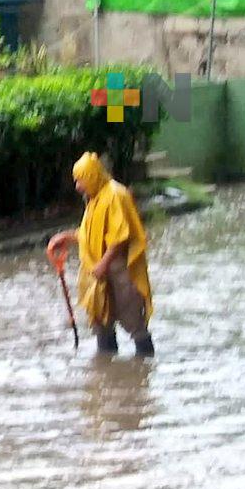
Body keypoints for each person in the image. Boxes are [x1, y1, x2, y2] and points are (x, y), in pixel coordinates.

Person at [47, 152, 155, 357]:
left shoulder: (115, 195)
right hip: (98, 271)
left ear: (92, 176)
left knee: (133, 317)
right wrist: (67, 237)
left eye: (80, 180)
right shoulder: (94, 198)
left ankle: (145, 365)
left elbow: (120, 237)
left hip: (120, 268)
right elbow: (91, 233)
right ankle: (106, 367)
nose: (78, 186)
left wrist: (104, 264)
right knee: (100, 318)